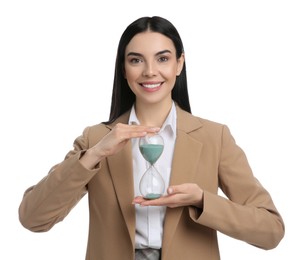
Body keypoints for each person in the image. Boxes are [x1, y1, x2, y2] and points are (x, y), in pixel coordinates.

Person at [19, 16, 285, 260]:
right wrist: (94, 155)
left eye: (162, 58)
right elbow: (33, 218)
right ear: (123, 69)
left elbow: (271, 230)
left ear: (179, 64)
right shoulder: (96, 139)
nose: (149, 71)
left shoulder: (215, 137)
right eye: (136, 60)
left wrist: (203, 200)